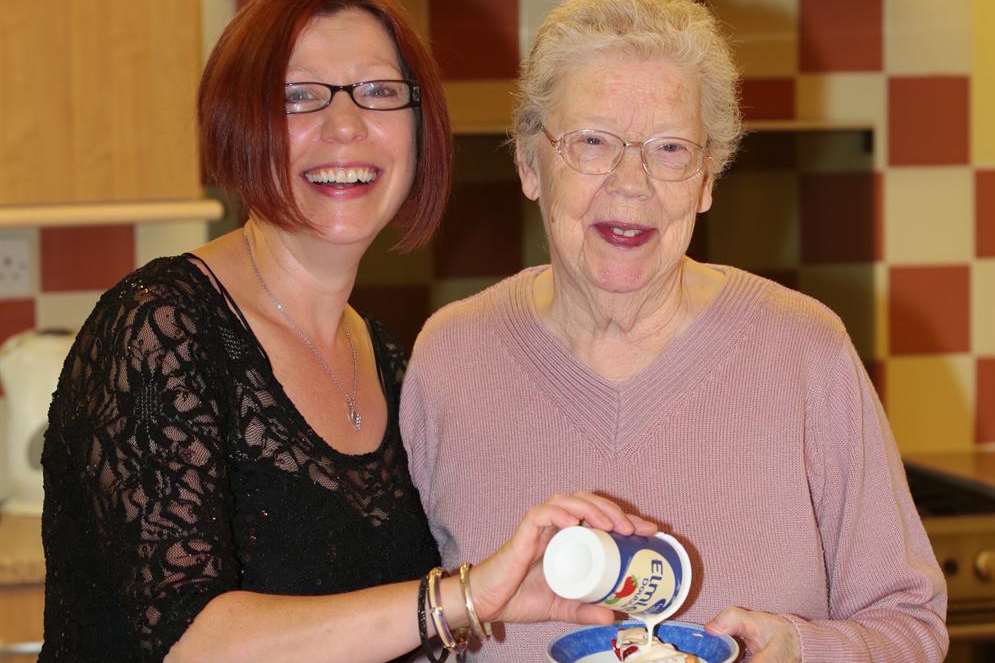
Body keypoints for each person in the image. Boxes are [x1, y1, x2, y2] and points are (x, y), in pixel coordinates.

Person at [38, 1, 657, 661]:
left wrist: (514, 596)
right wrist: (460, 596)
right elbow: (191, 642)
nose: (345, 127)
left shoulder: (389, 363)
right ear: (238, 121)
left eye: (378, 92)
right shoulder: (160, 326)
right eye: (299, 96)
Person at [400, 1, 949, 661]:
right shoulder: (451, 357)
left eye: (668, 149)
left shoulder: (804, 351)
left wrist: (799, 649)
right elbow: (404, 626)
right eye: (593, 141)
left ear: (706, 179)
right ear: (527, 163)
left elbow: (912, 628)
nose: (630, 183)